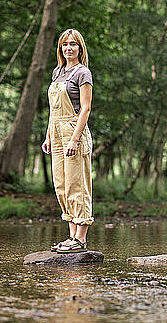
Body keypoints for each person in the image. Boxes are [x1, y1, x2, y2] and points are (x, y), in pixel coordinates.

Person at [42, 28, 94, 254]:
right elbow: (53, 109)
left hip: (74, 130)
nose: (68, 48)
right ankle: (71, 235)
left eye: (73, 44)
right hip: (56, 131)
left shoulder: (83, 73)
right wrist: (48, 135)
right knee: (61, 185)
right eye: (65, 44)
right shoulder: (58, 72)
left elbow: (86, 108)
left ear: (80, 48)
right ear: (60, 48)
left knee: (77, 184)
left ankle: (81, 239)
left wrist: (74, 139)